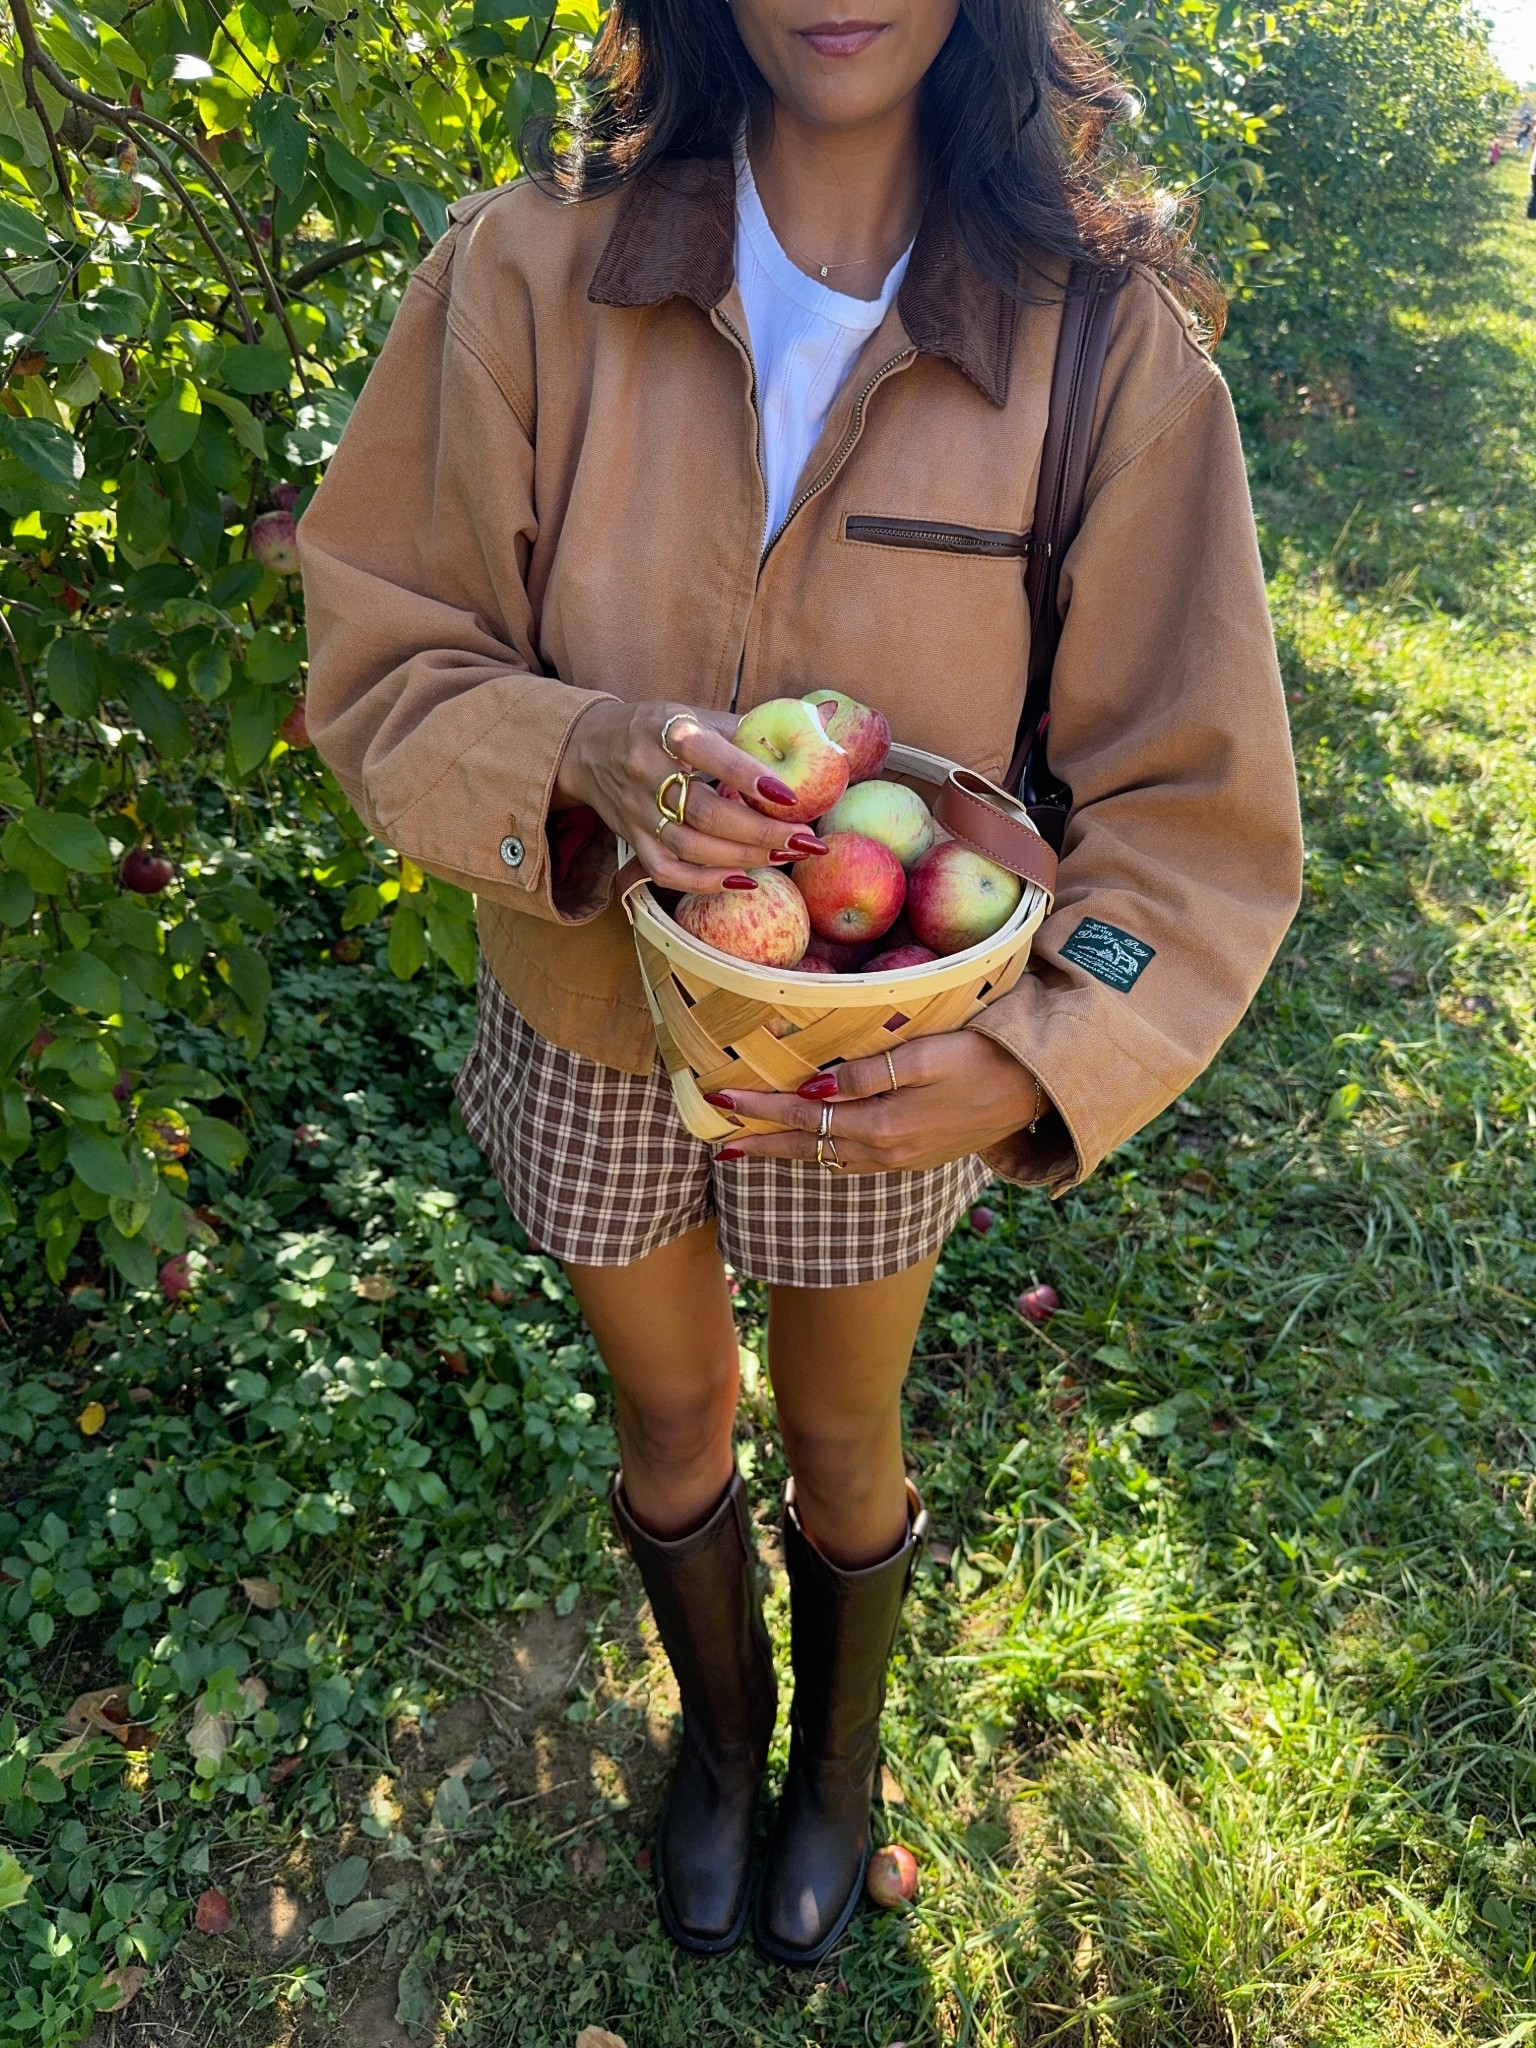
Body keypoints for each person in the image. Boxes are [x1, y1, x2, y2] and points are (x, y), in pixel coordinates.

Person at [299, 0, 1302, 1969]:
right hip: (597, 1014)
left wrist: (1036, 1059)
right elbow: (386, 643)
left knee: (845, 1441)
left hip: (897, 1054)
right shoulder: (533, 268)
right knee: (669, 1419)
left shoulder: (1097, 344)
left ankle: (836, 1775)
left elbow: (1191, 815)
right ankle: (724, 1744)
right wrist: (581, 751)